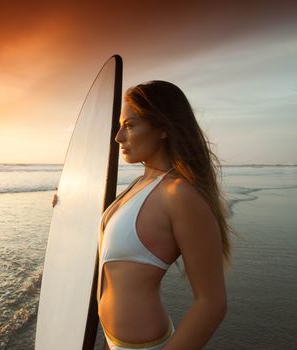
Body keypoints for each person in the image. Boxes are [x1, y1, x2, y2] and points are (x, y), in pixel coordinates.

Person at [97, 80, 232, 350]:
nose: (118, 137)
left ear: (161, 128)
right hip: (113, 342)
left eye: (130, 125)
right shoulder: (141, 183)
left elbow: (211, 303)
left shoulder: (179, 196)